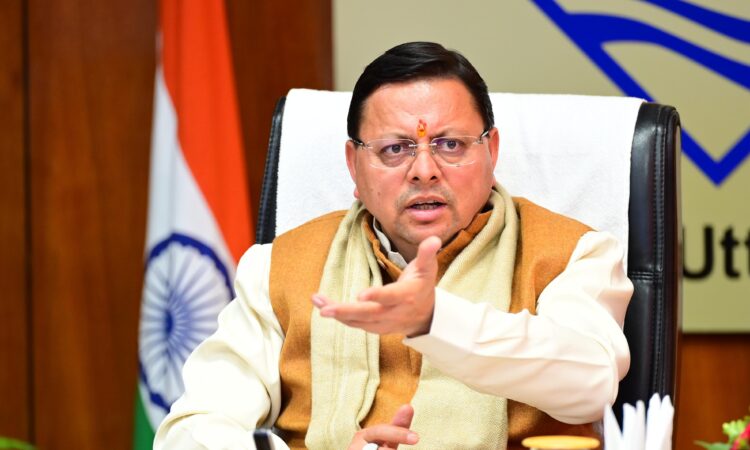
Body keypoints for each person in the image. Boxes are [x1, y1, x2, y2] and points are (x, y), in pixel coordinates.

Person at [155, 41, 632, 450]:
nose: (424, 171)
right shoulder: (277, 267)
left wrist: (433, 320)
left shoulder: (574, 254)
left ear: (491, 151)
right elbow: (192, 430)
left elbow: (589, 385)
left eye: (450, 144)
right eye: (395, 149)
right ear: (353, 165)